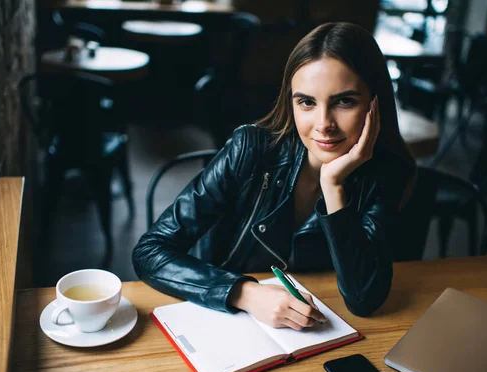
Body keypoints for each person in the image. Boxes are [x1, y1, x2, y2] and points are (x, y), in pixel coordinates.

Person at [133, 22, 416, 330]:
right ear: (291, 102)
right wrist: (246, 293)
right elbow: (150, 252)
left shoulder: (388, 172)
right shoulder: (250, 150)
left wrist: (333, 187)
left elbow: (364, 300)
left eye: (344, 101)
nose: (324, 124)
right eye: (307, 102)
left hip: (312, 331)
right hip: (222, 321)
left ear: (376, 103)